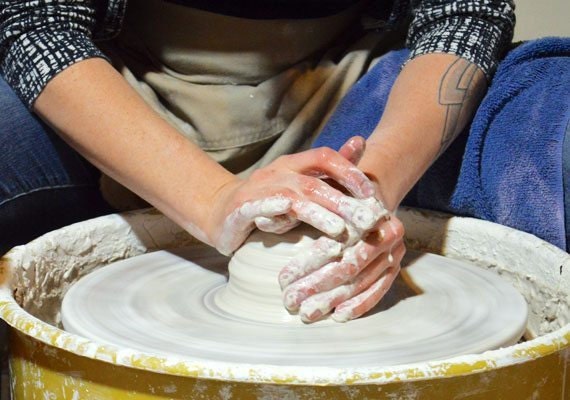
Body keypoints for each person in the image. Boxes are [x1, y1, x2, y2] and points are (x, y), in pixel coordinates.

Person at [0, 0, 515, 322]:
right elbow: (34, 21)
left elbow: (465, 15)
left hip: (356, 95)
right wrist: (213, 198)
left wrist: (369, 189)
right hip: (113, 96)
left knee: (548, 108)